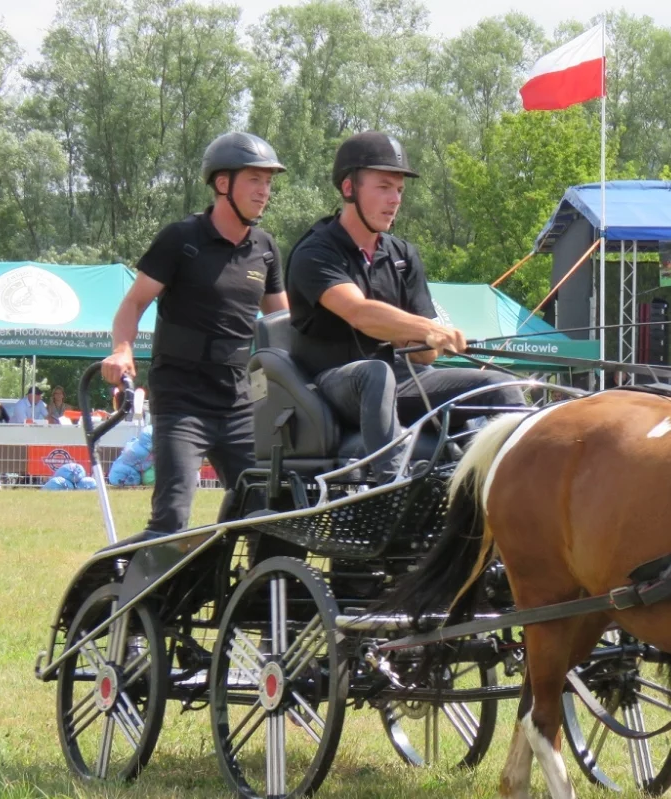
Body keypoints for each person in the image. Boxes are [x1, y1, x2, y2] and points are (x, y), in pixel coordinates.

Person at [286, 131, 524, 481]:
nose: (394, 199)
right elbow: (359, 313)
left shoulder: (402, 256)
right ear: (349, 188)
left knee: (500, 386)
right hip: (330, 385)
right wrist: (426, 329)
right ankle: (392, 485)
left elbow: (422, 359)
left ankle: (504, 487)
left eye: (399, 190)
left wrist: (427, 342)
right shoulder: (316, 252)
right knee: (375, 373)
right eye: (383, 187)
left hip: (398, 382)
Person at [101, 132, 288, 543]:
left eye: (269, 182)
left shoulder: (265, 248)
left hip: (240, 400)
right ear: (223, 184)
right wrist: (122, 349)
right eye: (255, 180)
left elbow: (284, 323)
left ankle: (254, 603)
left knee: (269, 515)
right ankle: (135, 598)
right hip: (182, 400)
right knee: (171, 518)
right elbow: (133, 305)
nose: (265, 191)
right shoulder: (181, 239)